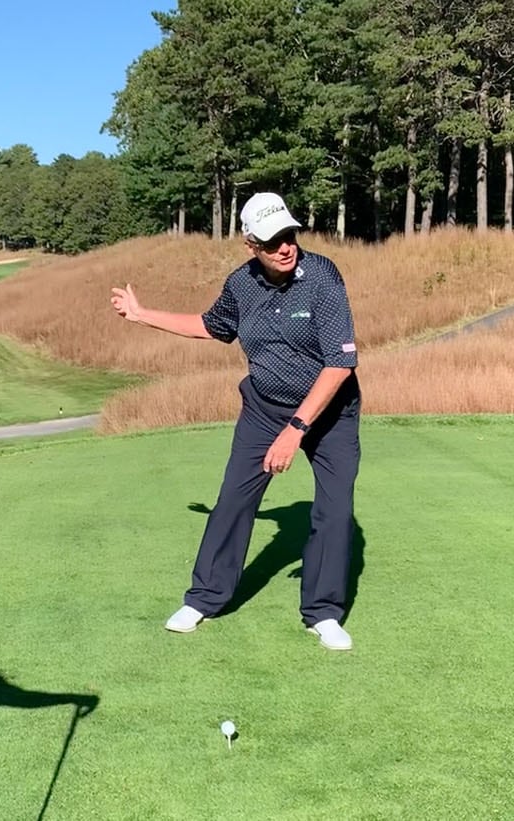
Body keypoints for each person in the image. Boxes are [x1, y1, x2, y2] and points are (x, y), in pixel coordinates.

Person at [109, 191, 362, 651]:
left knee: (335, 511)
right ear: (250, 244)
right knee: (233, 501)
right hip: (264, 408)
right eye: (272, 241)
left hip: (329, 414)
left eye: (289, 235)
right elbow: (211, 326)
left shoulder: (322, 276)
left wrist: (296, 431)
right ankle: (205, 598)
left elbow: (340, 365)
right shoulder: (241, 285)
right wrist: (142, 315)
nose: (285, 247)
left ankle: (323, 613)